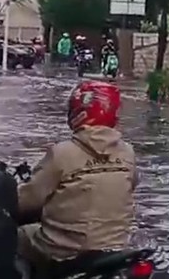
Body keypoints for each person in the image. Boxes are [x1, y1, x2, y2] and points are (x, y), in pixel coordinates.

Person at [17, 81, 137, 275]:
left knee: (17, 237)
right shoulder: (128, 153)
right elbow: (131, 186)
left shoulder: (61, 154)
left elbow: (27, 200)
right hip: (116, 247)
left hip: (65, 252)